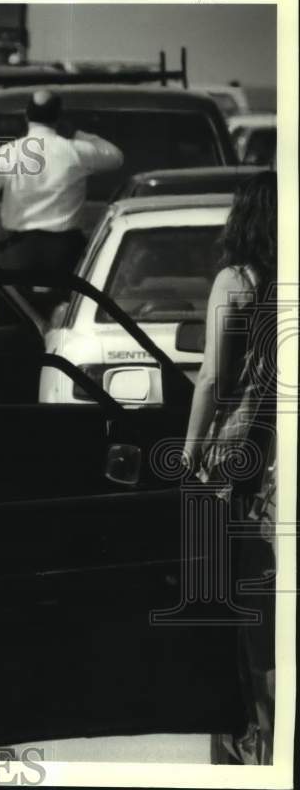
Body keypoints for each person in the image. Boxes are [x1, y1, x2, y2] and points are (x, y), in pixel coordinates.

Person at [182, 171, 277, 765]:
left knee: (238, 596)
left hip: (239, 456)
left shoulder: (235, 282)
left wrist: (190, 449)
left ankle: (253, 729)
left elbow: (213, 378)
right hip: (276, 450)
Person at [0, 90, 124, 306]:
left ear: (27, 117)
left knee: (17, 312)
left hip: (19, 250)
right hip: (65, 251)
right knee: (68, 313)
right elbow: (115, 157)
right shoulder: (75, 150)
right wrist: (78, 134)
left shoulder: (10, 152)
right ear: (59, 117)